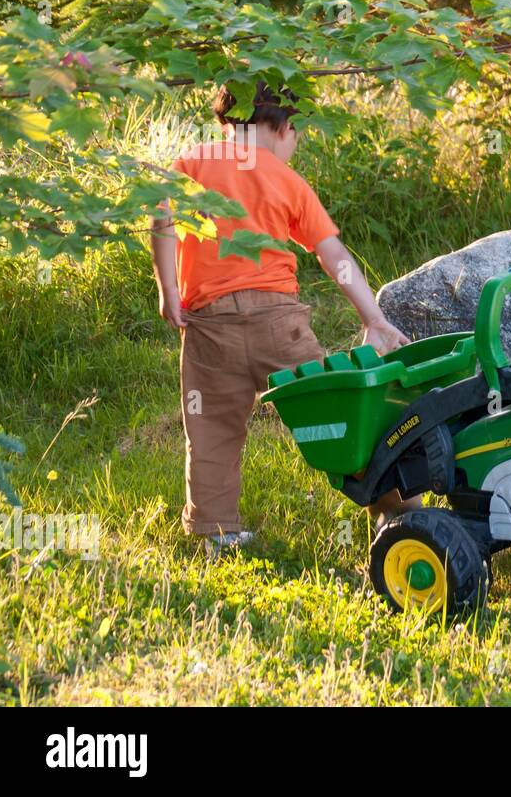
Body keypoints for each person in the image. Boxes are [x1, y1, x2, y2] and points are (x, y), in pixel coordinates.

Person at [150, 82, 411, 553]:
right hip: (279, 325)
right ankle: (393, 511)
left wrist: (168, 289)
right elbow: (335, 257)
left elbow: (161, 218)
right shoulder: (288, 181)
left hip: (208, 327)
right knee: (335, 412)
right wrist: (372, 318)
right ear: (282, 127)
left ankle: (216, 531)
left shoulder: (191, 161)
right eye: (297, 134)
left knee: (211, 429)